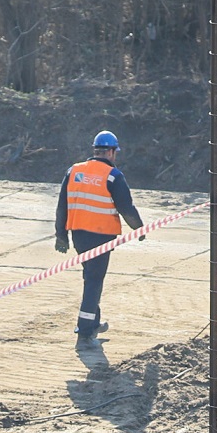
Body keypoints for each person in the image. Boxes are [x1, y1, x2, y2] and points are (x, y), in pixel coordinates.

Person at [54, 131, 146, 347]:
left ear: (95, 150)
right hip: (101, 238)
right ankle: (84, 333)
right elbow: (126, 207)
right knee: (94, 282)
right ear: (112, 152)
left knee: (90, 277)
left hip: (79, 236)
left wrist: (61, 235)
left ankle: (93, 323)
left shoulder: (74, 171)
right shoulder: (113, 175)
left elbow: (62, 206)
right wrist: (139, 228)